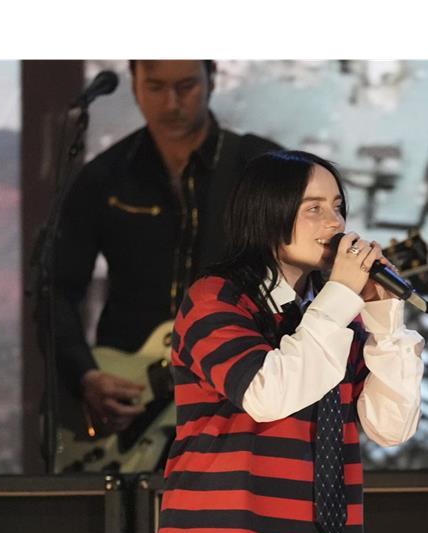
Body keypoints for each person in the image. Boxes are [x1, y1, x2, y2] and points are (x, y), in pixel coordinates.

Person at [136, 150, 424, 533]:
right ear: (268, 213)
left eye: (337, 206)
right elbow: (267, 393)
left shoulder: (331, 319)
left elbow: (390, 424)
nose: (335, 224)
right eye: (313, 208)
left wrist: (385, 322)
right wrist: (339, 303)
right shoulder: (215, 297)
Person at [50, 60, 280, 441]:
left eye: (186, 86)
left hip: (235, 391)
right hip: (131, 394)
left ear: (212, 81)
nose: (172, 103)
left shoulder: (258, 168)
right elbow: (56, 287)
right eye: (155, 87)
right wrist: (85, 375)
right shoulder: (104, 176)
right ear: (135, 86)